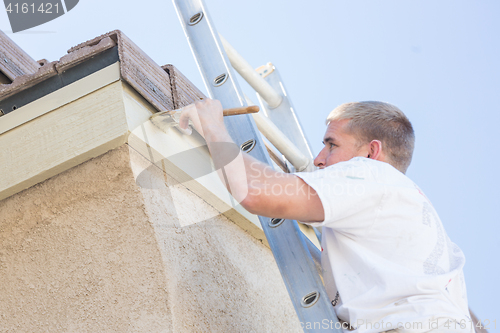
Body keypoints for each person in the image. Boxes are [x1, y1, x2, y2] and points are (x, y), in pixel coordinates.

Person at [178, 99, 472, 333]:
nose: (318, 159)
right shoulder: (420, 224)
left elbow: (257, 192)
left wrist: (213, 126)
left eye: (332, 144)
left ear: (371, 153)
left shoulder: (371, 175)